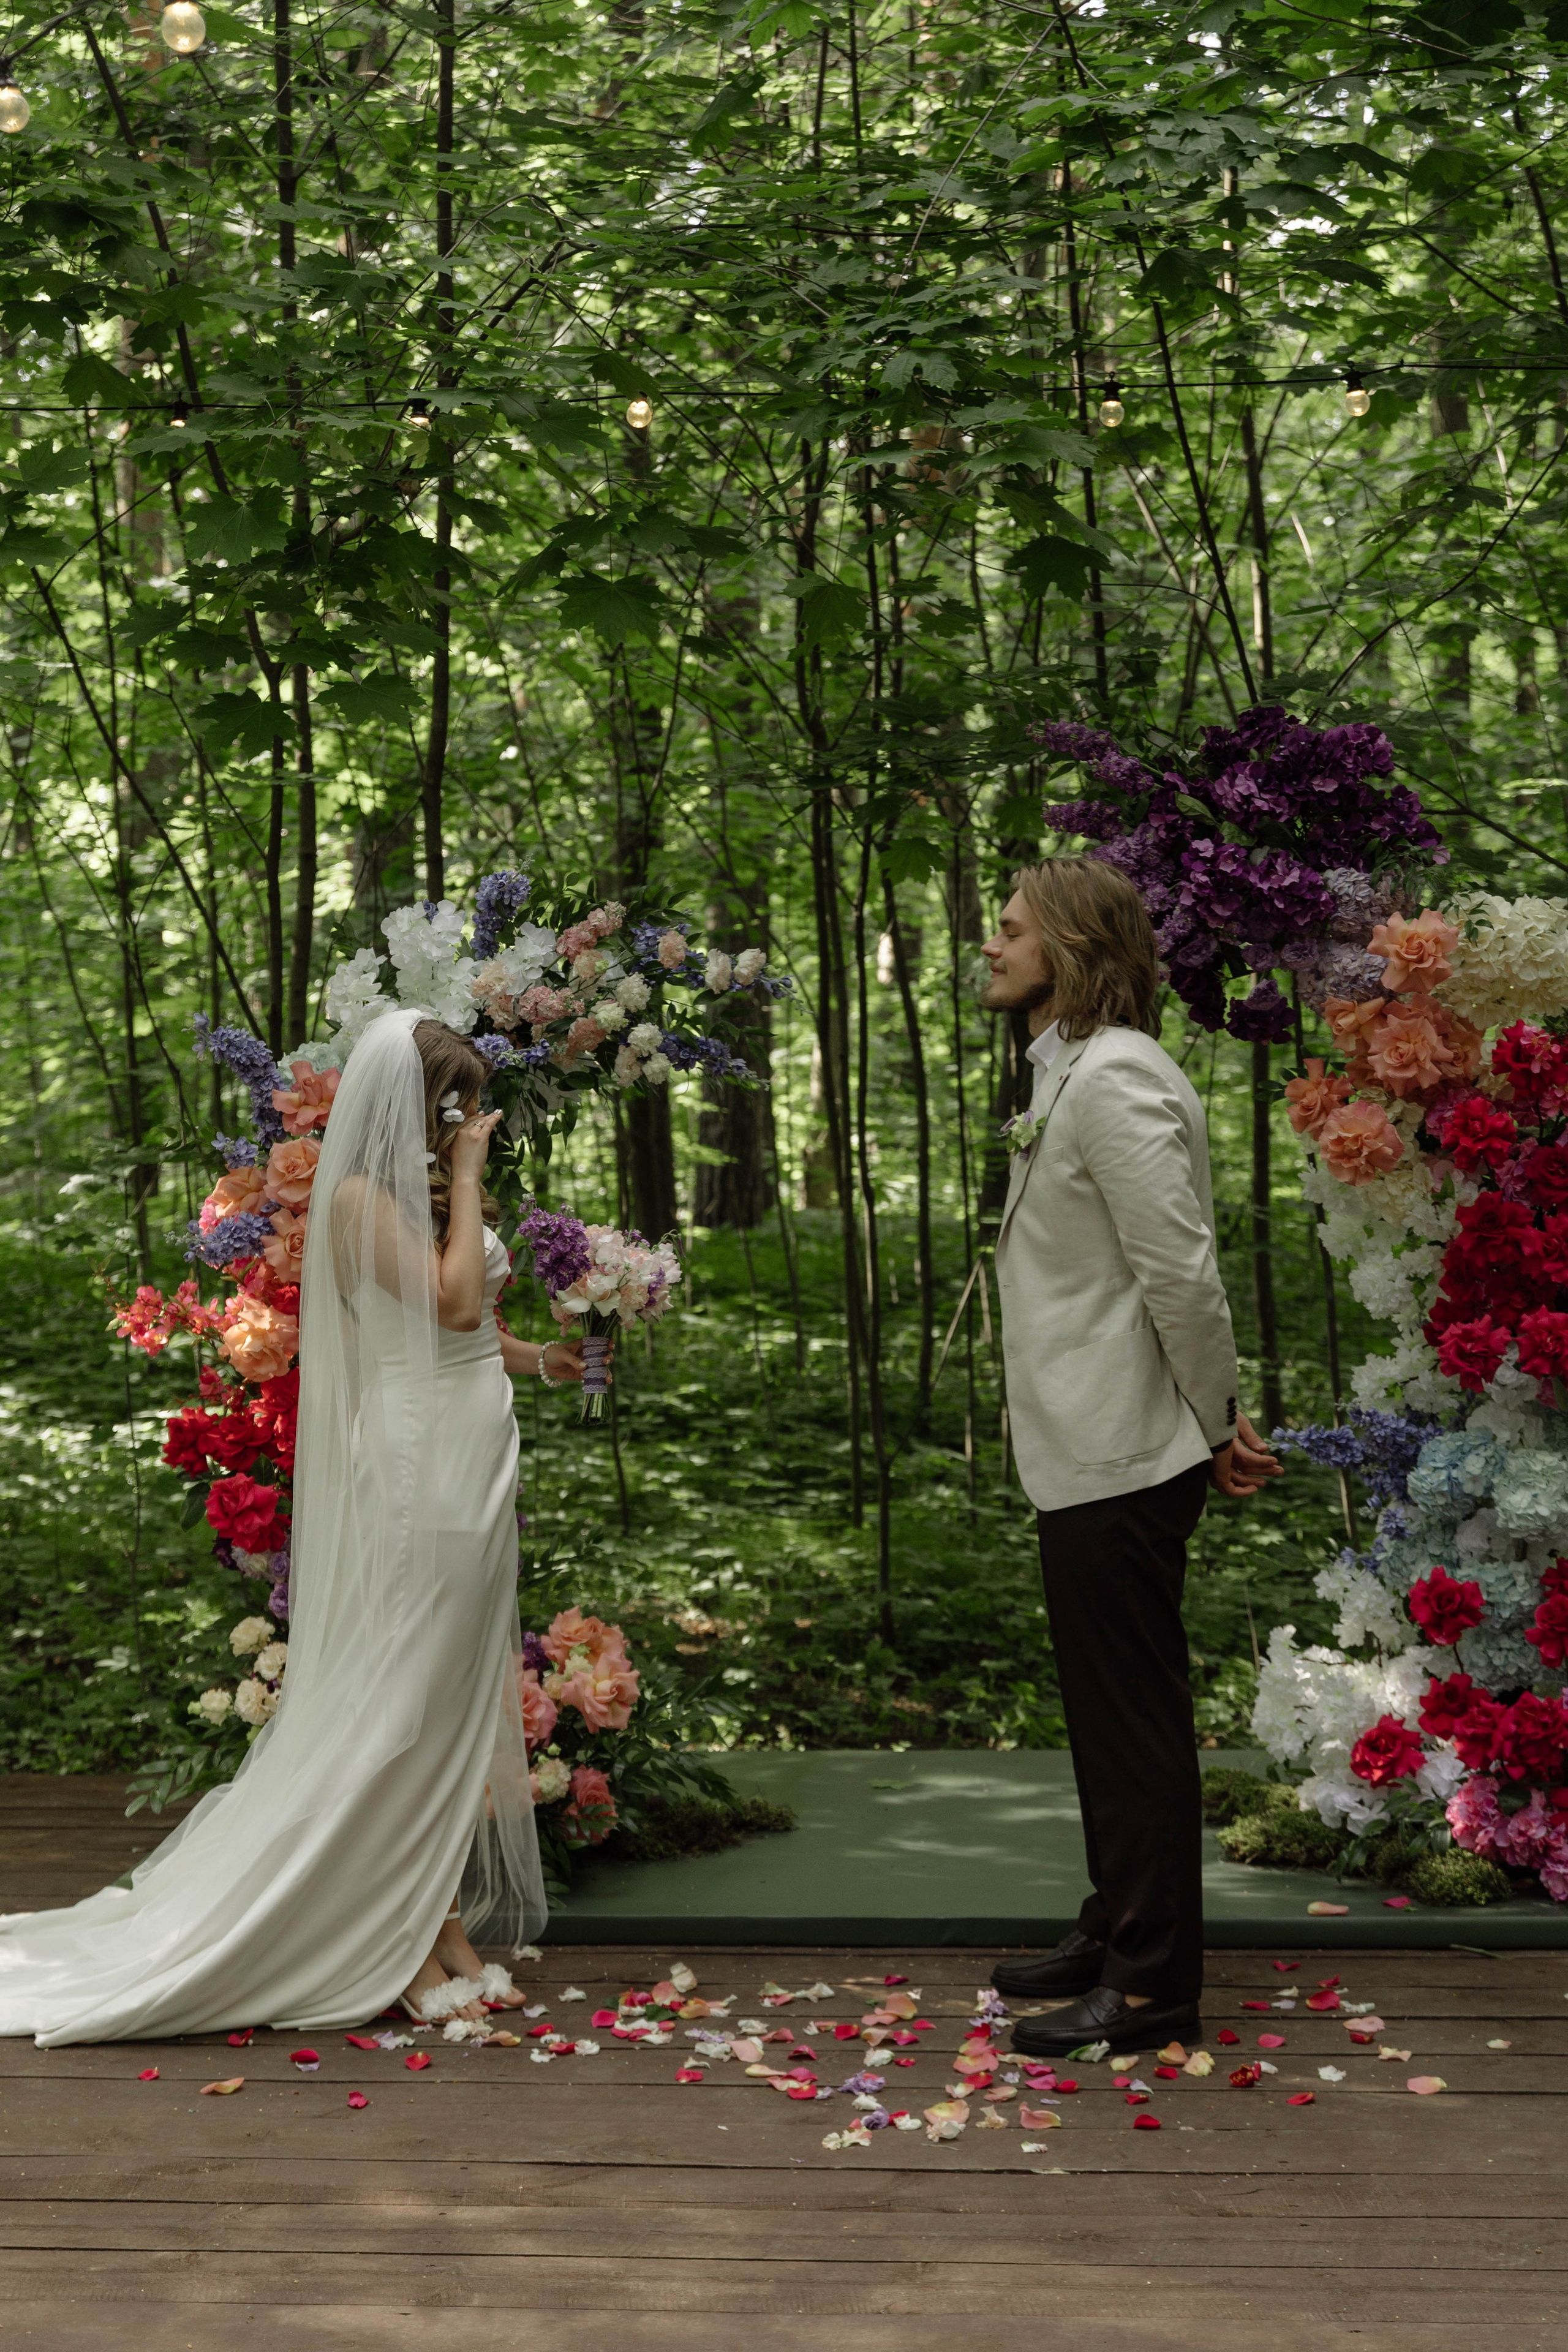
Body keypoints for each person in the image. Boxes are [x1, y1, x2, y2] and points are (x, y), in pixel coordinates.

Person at [0, 1009, 589, 2045]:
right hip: (421, 1466)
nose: (464, 1119)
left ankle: (434, 1920)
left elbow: (476, 1333)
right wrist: (462, 1170)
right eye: (449, 1103)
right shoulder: (361, 1200)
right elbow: (449, 1311)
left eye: (464, 1105)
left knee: (450, 1691)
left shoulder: (407, 1191)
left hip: (471, 1450)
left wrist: (544, 1361)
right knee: (406, 1692)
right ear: (413, 1105)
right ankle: (402, 1931)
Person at [979, 858, 1279, 2056]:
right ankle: (1117, 1928)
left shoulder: (1118, 1081)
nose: (988, 944)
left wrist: (1214, 1421)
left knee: (1133, 1722)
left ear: (1067, 946)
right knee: (1103, 1719)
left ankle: (1155, 1983)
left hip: (1124, 1448)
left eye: (1007, 928)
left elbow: (1180, 1276)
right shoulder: (1062, 1068)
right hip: (1081, 1442)